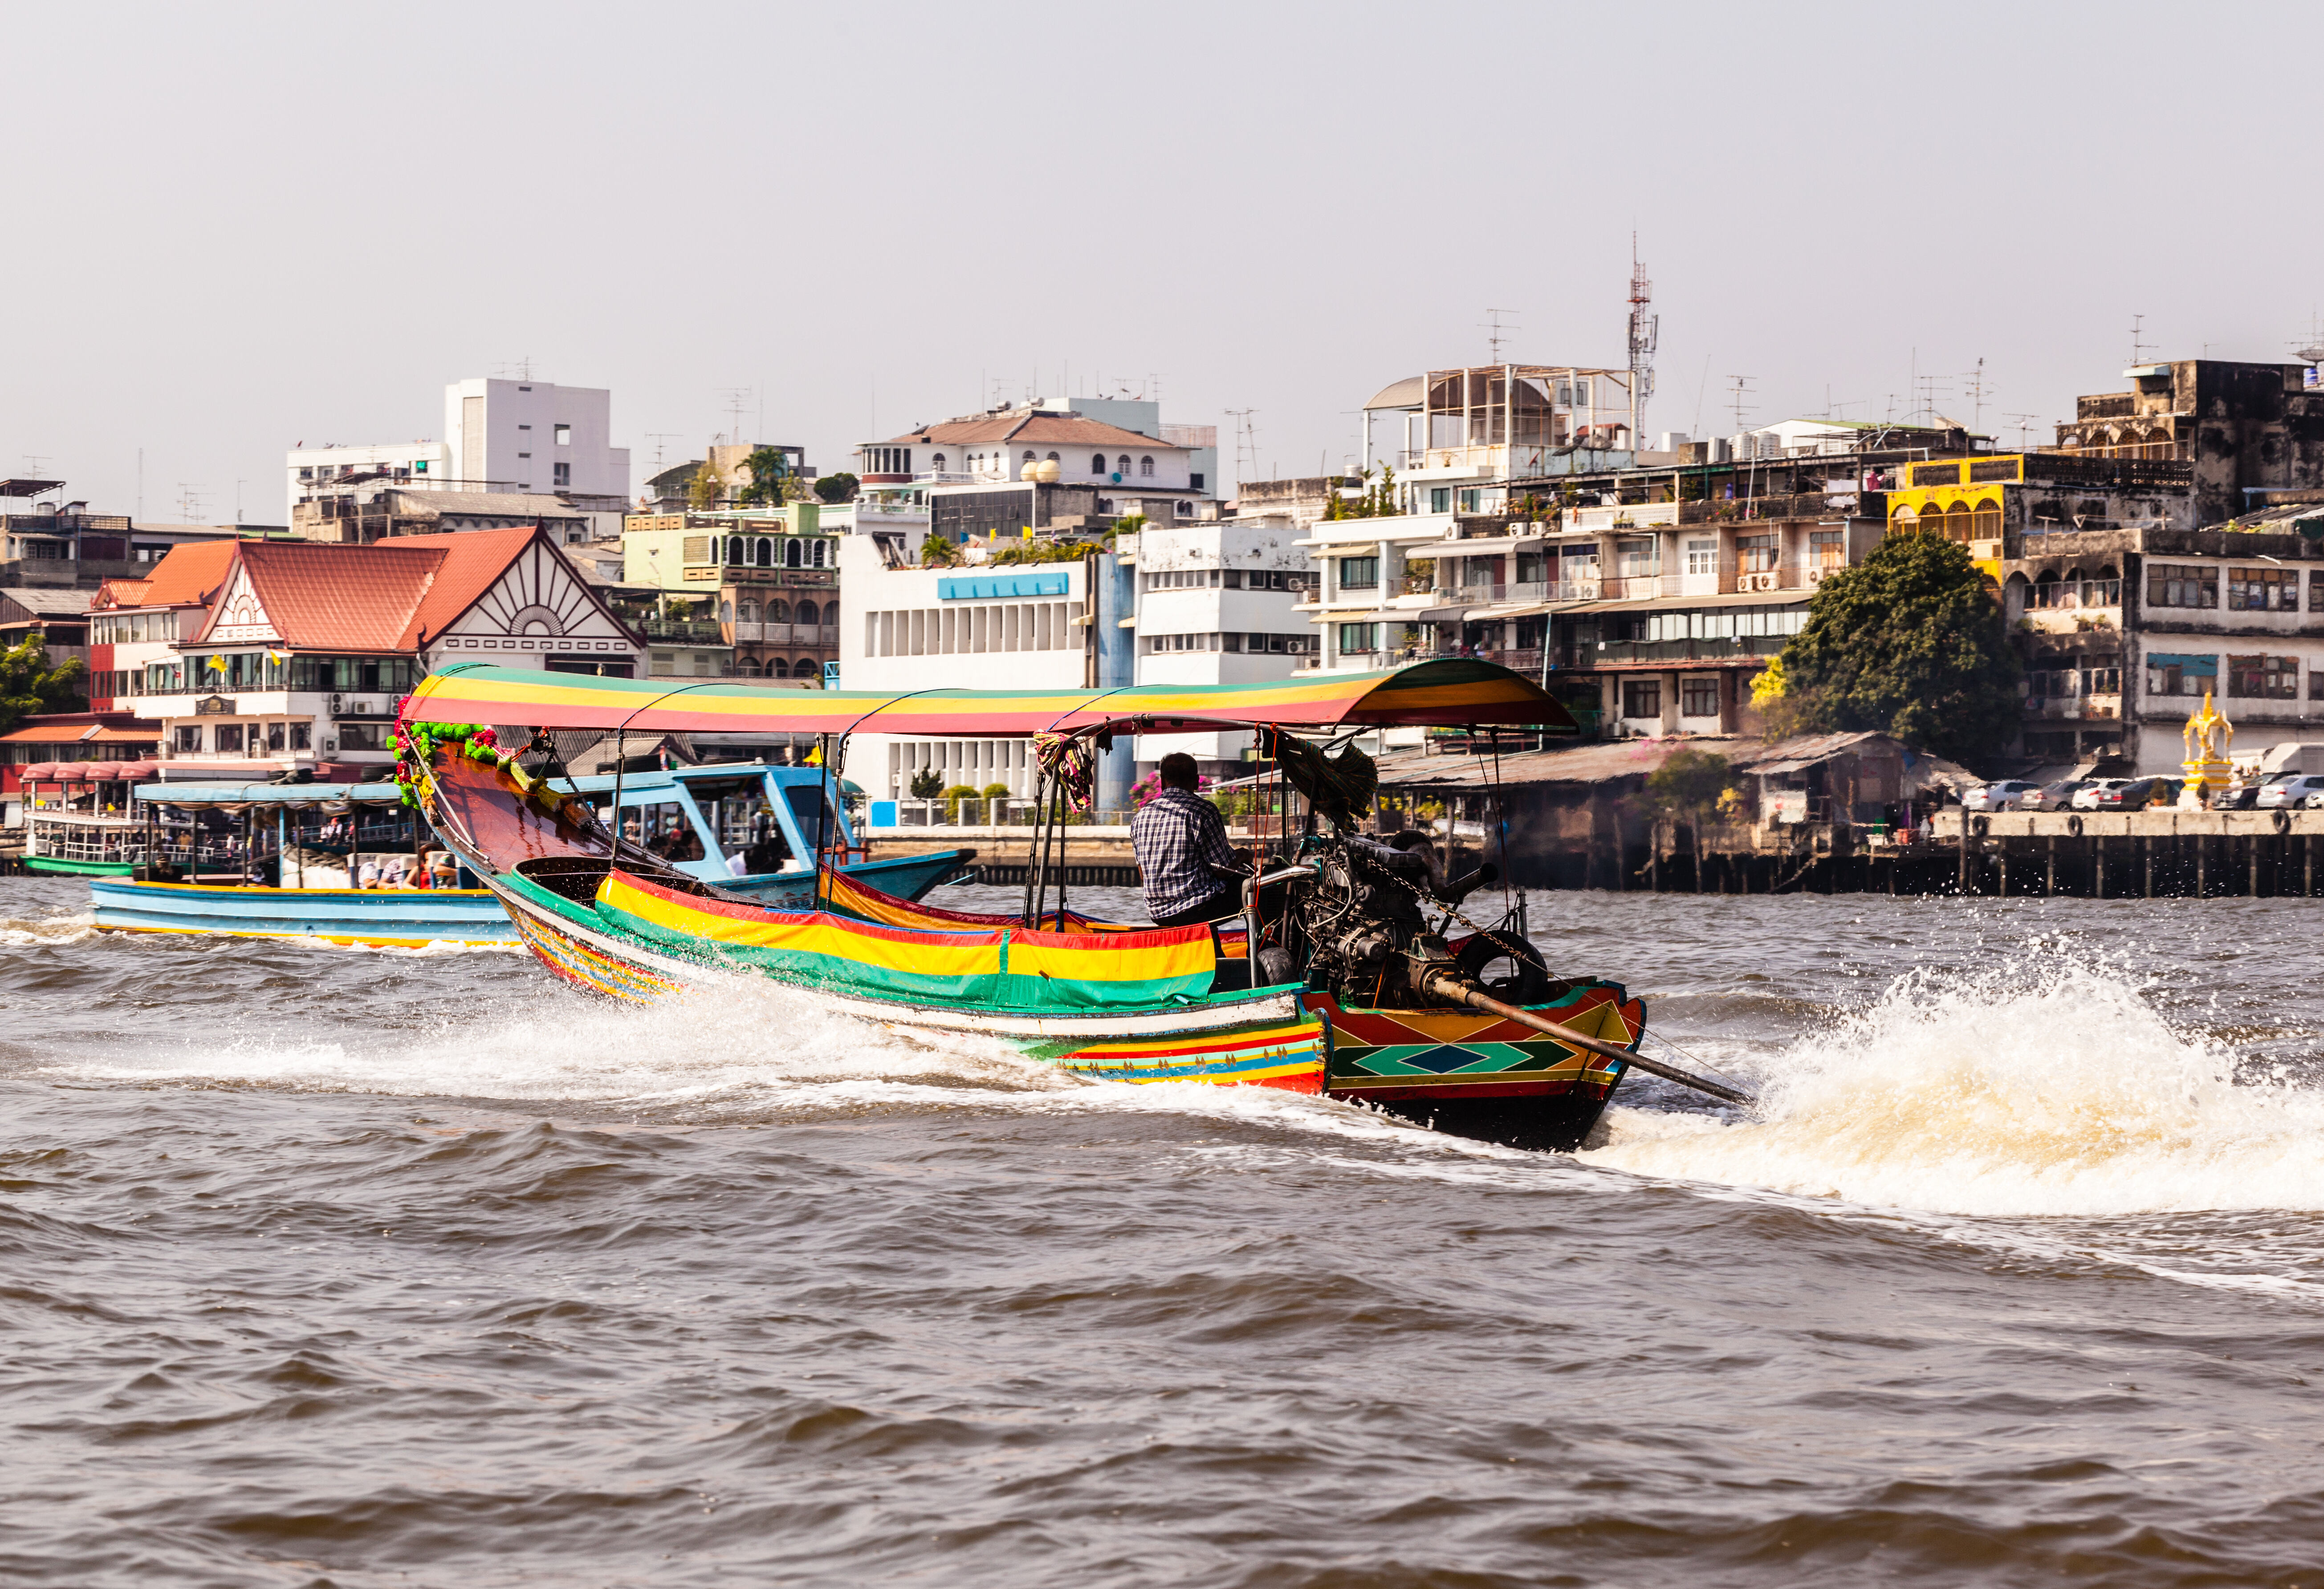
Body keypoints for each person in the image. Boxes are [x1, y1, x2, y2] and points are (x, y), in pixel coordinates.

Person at [1131, 752, 1245, 928]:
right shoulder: (1204, 810)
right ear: (1196, 781)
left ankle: (1215, 950)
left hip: (1158, 913)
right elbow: (1223, 869)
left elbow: (1142, 874)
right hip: (1196, 908)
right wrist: (1243, 856)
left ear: (1163, 781)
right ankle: (1260, 951)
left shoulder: (1140, 817)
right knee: (1261, 891)